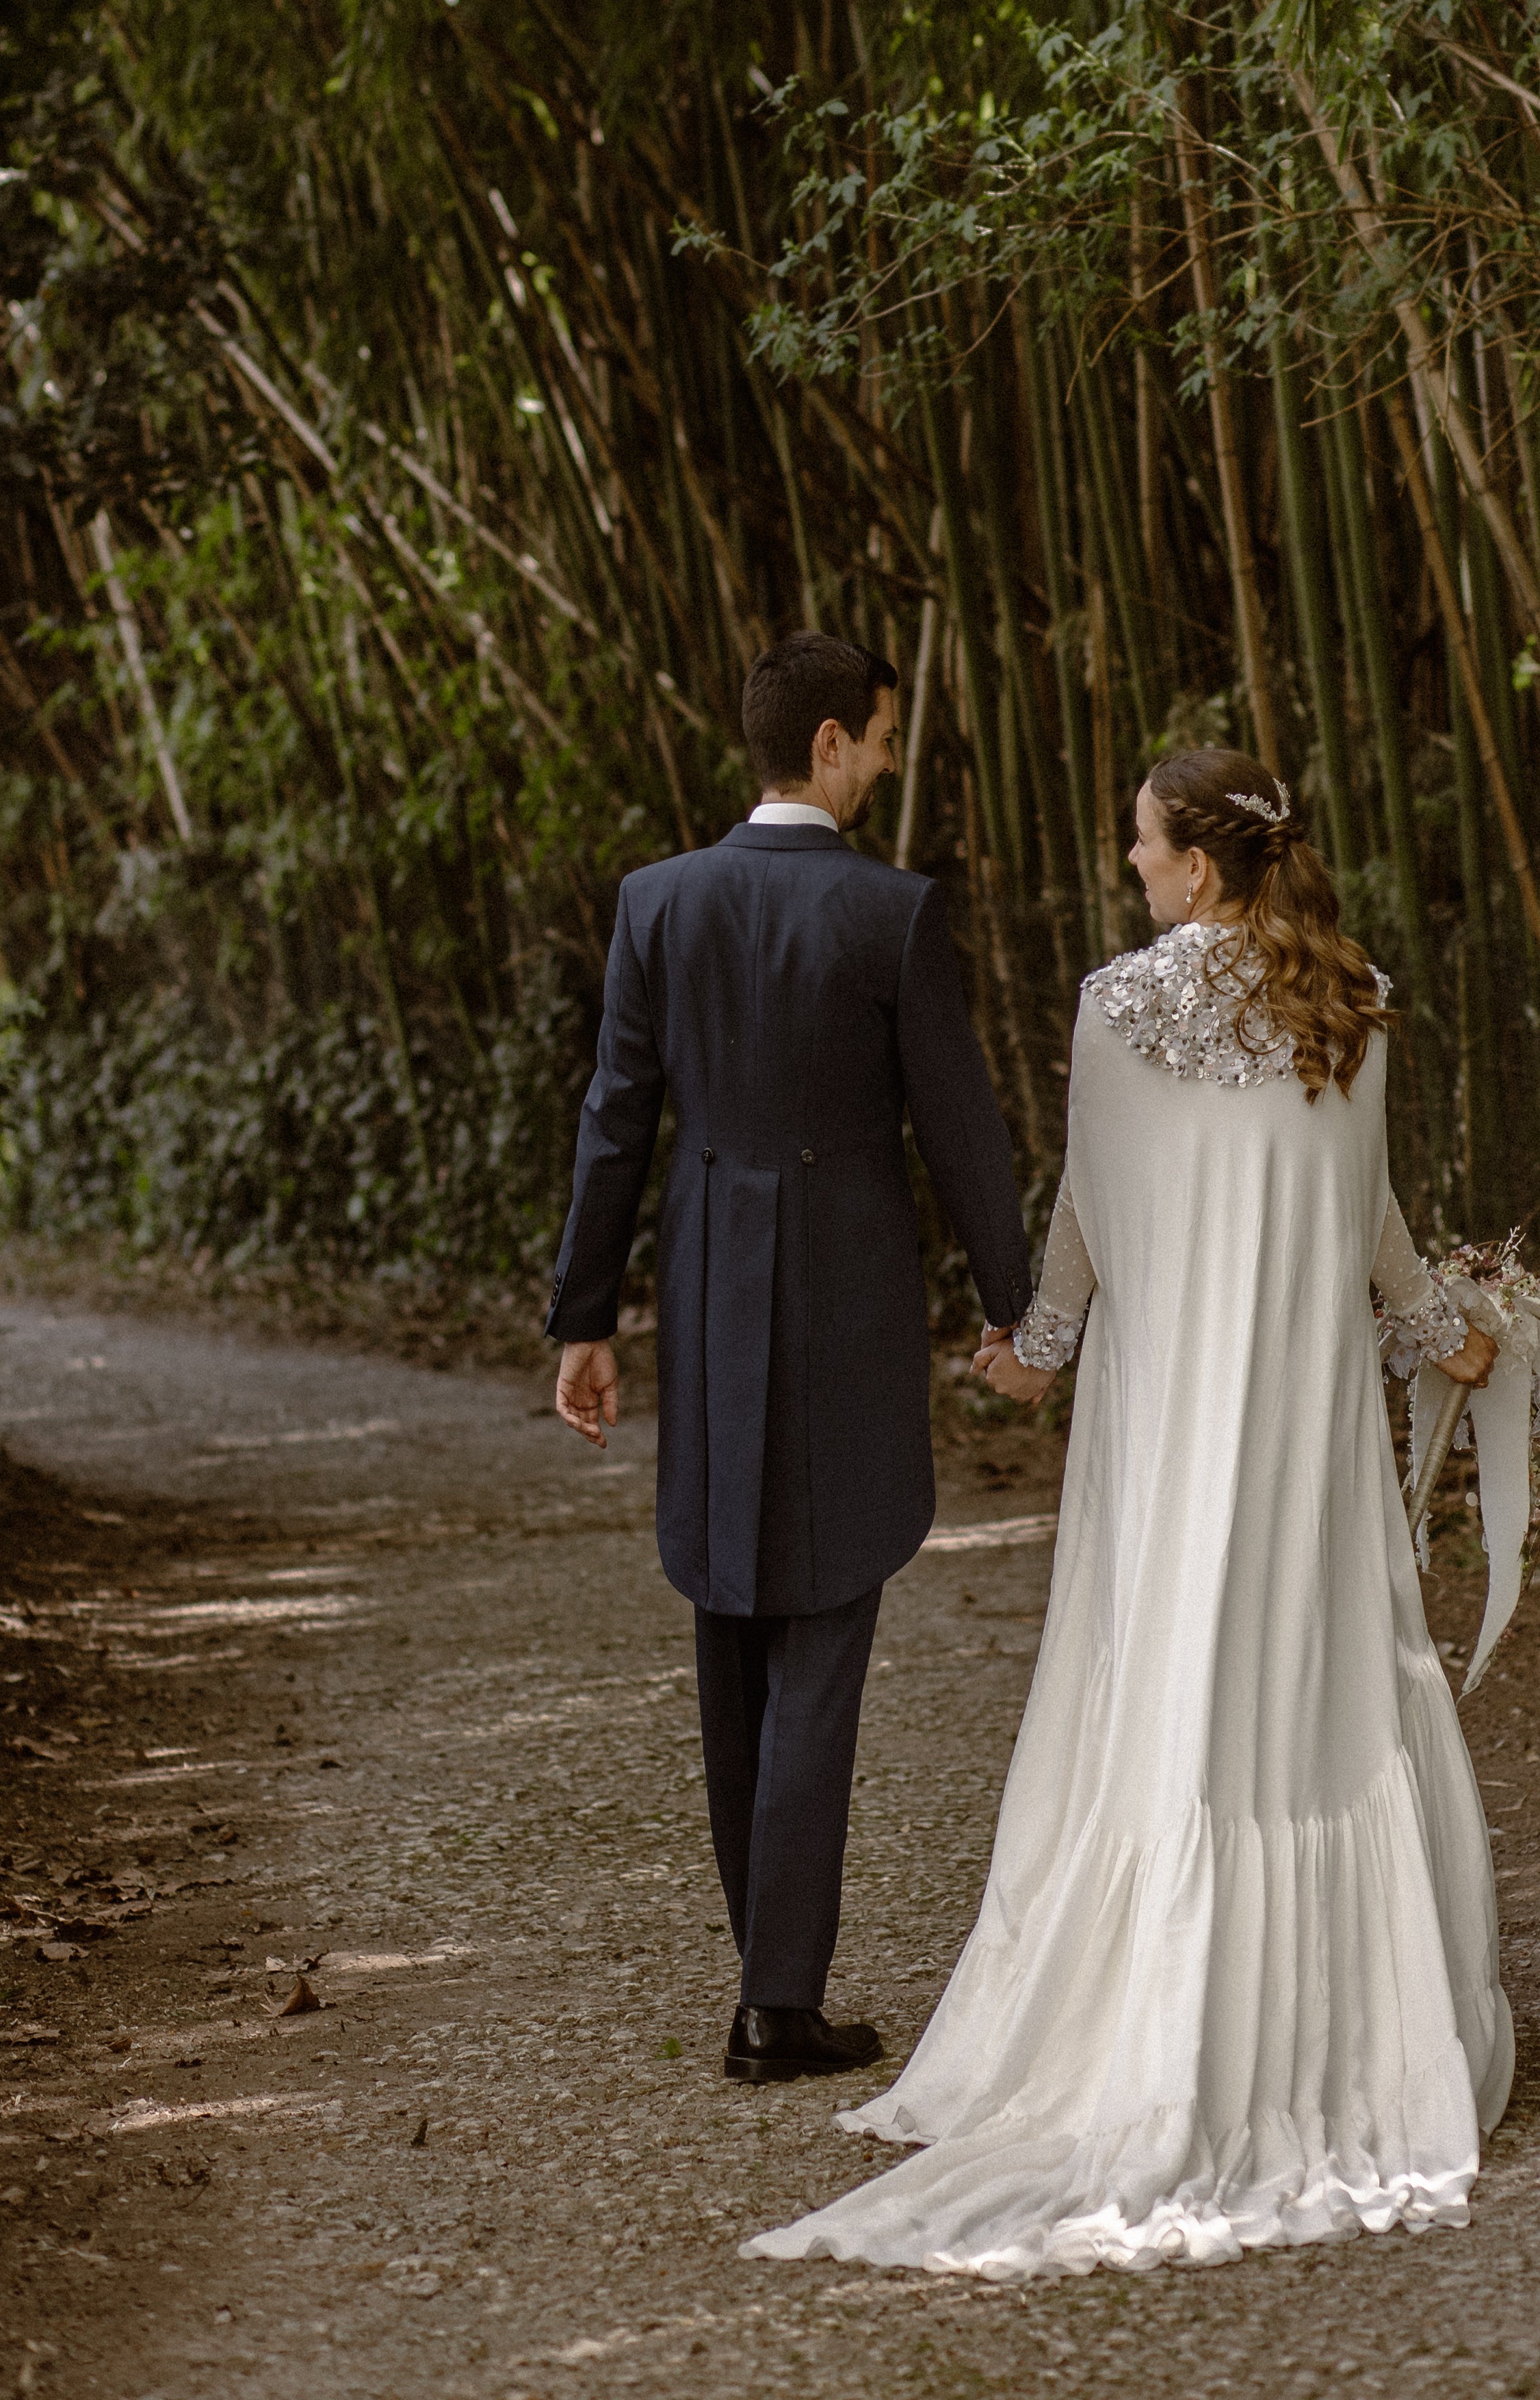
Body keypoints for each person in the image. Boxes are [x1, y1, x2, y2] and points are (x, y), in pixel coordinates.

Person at [745, 745, 1509, 2277]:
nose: (1133, 868)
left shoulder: (1118, 1009)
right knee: (1320, 1679)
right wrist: (1442, 1333)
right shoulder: (1357, 1000)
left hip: (1172, 1424)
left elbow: (1089, 1205)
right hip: (1301, 1414)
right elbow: (1371, 1215)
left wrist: (1038, 1351)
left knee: (1165, 1669)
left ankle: (1160, 2026)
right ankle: (1352, 2030)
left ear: (1201, 868)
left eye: (1144, 847)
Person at [547, 628, 1034, 2087]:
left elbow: (613, 1121)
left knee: (729, 1610)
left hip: (706, 1284)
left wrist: (582, 1317)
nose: (888, 760)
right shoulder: (891, 914)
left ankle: (770, 1970)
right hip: (845, 1297)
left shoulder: (657, 903)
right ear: (827, 744)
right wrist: (1019, 1304)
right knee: (823, 1620)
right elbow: (958, 1124)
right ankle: (778, 1999)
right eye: (880, 736)